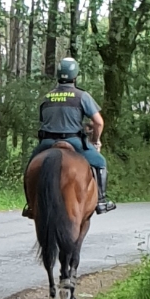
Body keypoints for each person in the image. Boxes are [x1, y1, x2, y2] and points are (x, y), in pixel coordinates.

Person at [31, 57, 115, 214]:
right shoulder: (82, 96)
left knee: (31, 167)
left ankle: (30, 204)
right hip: (73, 141)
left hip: (47, 142)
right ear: (75, 76)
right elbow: (99, 122)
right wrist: (95, 140)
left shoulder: (46, 97)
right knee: (100, 163)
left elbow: (46, 120)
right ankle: (101, 200)